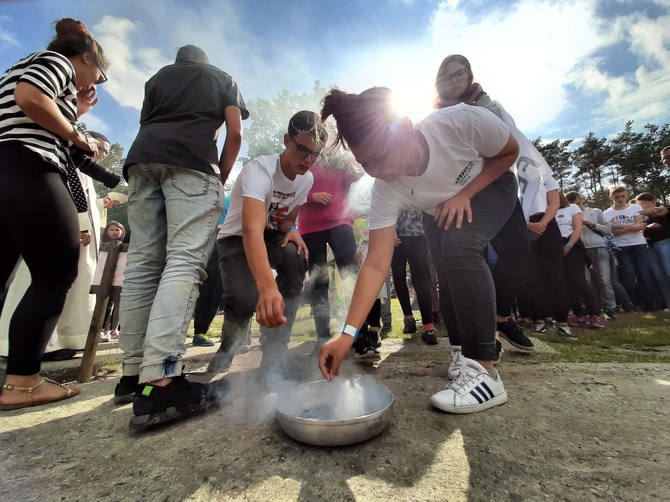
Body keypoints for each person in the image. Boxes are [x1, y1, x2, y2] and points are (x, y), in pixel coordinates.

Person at [319, 87, 519, 414]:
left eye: (382, 156)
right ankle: (460, 350)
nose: (378, 171)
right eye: (366, 162)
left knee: (458, 246)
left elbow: (508, 152)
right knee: (445, 272)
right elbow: (375, 265)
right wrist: (346, 335)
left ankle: (485, 370)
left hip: (490, 184)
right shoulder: (385, 190)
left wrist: (465, 194)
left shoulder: (459, 121)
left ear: (406, 128)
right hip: (437, 211)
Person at [115, 45, 248, 429]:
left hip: (141, 161)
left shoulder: (155, 79)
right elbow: (234, 133)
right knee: (185, 262)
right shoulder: (222, 78)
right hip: (192, 163)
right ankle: (161, 382)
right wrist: (218, 178)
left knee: (142, 263)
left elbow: (147, 124)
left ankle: (132, 374)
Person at [0, 18, 108, 410]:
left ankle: (10, 380)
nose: (96, 81)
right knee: (57, 271)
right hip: (28, 166)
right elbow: (31, 98)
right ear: (85, 57)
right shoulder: (56, 61)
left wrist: (74, 110)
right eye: (100, 72)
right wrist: (79, 135)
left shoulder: (18, 67)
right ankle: (23, 381)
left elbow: (26, 110)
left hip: (6, 167)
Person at [207, 110, 328, 382]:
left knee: (295, 255)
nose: (308, 161)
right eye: (302, 150)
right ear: (287, 140)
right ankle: (229, 345)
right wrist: (267, 288)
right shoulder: (259, 170)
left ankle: (275, 349)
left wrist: (293, 230)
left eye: (315, 155)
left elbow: (284, 219)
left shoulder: (306, 179)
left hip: (270, 234)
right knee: (242, 298)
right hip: (236, 237)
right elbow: (251, 229)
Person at [433, 55, 534, 354]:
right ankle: (466, 339)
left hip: (498, 186)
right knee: (457, 256)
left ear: (470, 75)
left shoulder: (487, 106)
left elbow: (507, 141)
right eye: (445, 76)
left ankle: (500, 316)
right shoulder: (437, 117)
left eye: (459, 73)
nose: (453, 80)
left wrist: (481, 100)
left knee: (518, 249)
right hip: (460, 193)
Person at [299, 149, 363, 354]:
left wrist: (346, 152)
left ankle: (357, 334)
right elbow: (290, 188)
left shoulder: (340, 161)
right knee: (318, 283)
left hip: (340, 222)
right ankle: (323, 338)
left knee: (351, 277)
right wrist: (311, 196)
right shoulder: (304, 158)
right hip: (310, 226)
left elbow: (361, 170)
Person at [555, 192, 604, 330]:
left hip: (573, 244)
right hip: (555, 246)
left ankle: (594, 314)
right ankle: (578, 313)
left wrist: (568, 246)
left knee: (580, 280)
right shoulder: (548, 211)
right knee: (566, 283)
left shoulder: (572, 208)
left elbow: (577, 228)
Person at [565, 192, 617, 320]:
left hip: (598, 247)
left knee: (603, 279)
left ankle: (610, 307)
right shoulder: (567, 213)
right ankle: (590, 308)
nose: (577, 206)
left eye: (579, 203)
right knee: (584, 281)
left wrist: (593, 224)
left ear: (582, 200)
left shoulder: (595, 211)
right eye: (574, 205)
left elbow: (608, 230)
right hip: (580, 250)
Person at [604, 186, 655, 312]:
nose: (620, 199)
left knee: (644, 274)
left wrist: (617, 226)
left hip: (639, 244)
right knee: (629, 276)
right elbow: (612, 233)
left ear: (626, 195)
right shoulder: (606, 214)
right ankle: (635, 304)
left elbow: (641, 226)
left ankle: (649, 305)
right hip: (621, 246)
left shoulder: (636, 208)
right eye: (616, 197)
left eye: (623, 196)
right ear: (611, 198)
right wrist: (631, 227)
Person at [390, 211, 437, 344]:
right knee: (420, 280)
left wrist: (390, 232)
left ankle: (409, 319)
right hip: (418, 234)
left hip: (399, 234)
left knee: (399, 277)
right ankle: (428, 327)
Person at [635, 192, 670, 309]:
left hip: (664, 243)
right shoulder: (642, 217)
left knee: (668, 271)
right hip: (648, 246)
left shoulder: (663, 213)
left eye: (644, 202)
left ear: (652, 202)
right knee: (660, 277)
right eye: (639, 203)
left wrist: (663, 211)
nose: (642, 205)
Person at [100, 221, 125, 342]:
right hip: (104, 277)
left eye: (117, 230)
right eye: (111, 229)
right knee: (107, 304)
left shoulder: (125, 245)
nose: (114, 232)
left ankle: (115, 329)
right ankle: (105, 329)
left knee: (119, 304)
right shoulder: (101, 244)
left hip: (120, 277)